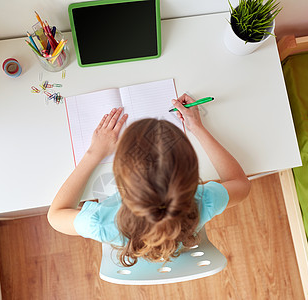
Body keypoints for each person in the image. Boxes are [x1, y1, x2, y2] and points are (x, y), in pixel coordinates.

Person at [47, 93, 251, 266]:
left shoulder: (100, 223)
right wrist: (197, 127)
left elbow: (55, 216)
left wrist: (93, 153)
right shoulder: (203, 199)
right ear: (190, 174)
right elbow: (241, 183)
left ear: (119, 177)